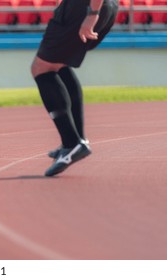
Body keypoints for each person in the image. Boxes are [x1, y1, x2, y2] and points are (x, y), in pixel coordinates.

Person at [31, 0, 118, 176]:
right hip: (94, 7)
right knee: (60, 65)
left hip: (83, 8)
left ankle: (72, 143)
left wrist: (92, 14)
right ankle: (77, 141)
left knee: (42, 69)